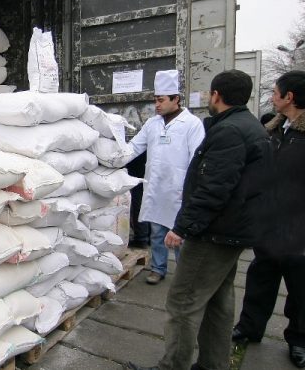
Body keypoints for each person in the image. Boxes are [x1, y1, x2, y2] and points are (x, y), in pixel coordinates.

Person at [127, 69, 271, 370]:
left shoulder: (223, 130)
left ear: (216, 95)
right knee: (218, 301)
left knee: (182, 302)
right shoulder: (247, 126)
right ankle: (212, 364)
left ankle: (172, 366)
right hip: (231, 228)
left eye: (161, 98)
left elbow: (214, 187)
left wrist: (183, 226)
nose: (156, 104)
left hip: (213, 231)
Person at [233, 70, 305, 368]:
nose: (272, 96)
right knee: (260, 278)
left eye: (276, 92)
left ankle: (299, 340)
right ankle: (249, 327)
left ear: (290, 97)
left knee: (300, 288)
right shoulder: (273, 128)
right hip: (267, 221)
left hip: (298, 226)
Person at [126, 70, 204, 284]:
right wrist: (113, 158)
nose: (157, 105)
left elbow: (197, 157)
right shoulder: (153, 124)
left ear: (175, 99)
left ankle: (183, 274)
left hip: (179, 189)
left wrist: (192, 187)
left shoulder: (192, 124)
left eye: (161, 100)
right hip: (157, 187)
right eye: (155, 100)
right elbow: (134, 147)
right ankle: (158, 269)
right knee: (157, 233)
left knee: (180, 235)